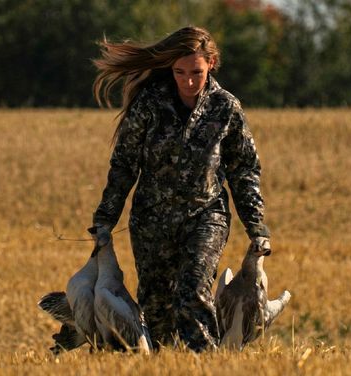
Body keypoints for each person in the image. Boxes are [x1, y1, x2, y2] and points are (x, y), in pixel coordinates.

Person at [88, 26, 272, 352]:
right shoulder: (149, 105)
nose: (188, 81)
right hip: (151, 222)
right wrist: (105, 219)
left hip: (206, 217)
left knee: (194, 292)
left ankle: (206, 366)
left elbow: (244, 170)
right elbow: (124, 166)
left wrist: (256, 226)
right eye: (180, 72)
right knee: (157, 308)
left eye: (196, 73)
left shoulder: (226, 109)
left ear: (211, 64)